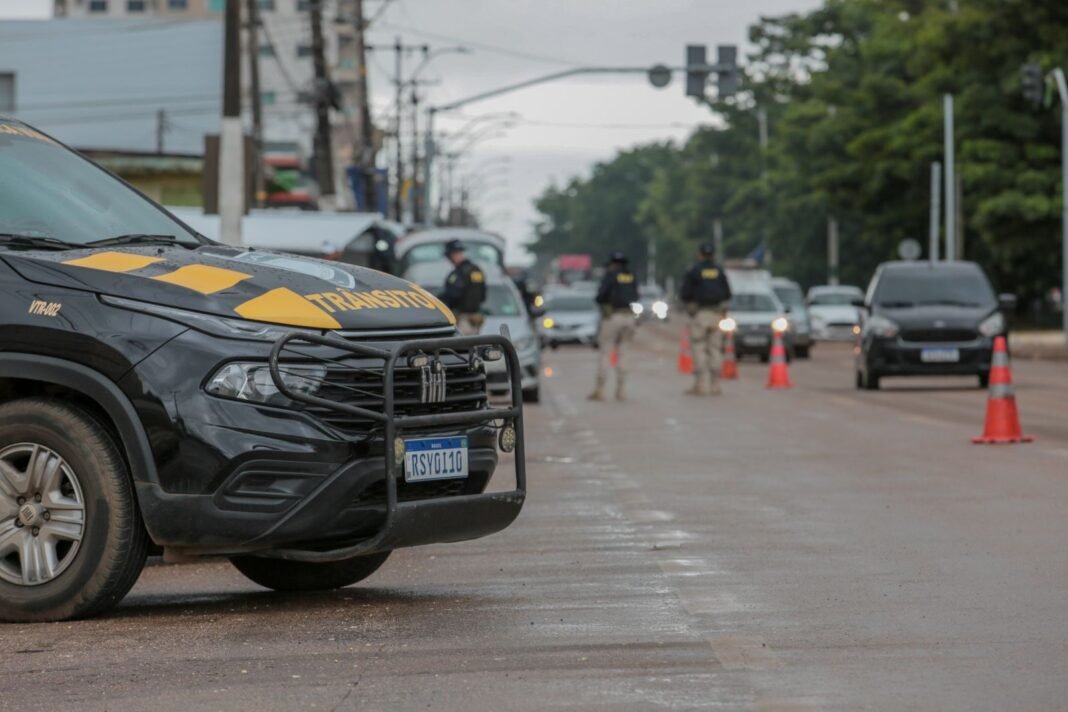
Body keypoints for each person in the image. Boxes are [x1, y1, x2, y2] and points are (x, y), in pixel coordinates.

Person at [679, 243, 732, 395]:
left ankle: (700, 385)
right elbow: (727, 294)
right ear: (713, 255)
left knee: (698, 347)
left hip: (700, 314)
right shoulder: (719, 271)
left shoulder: (695, 271)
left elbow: (685, 293)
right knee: (715, 349)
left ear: (700, 254)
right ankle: (715, 385)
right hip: (716, 314)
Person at [589, 251, 639, 402]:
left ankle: (600, 390)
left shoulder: (610, 276)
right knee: (624, 352)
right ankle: (621, 390)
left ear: (612, 264)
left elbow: (600, 296)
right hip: (629, 317)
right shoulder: (631, 275)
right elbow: (636, 296)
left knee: (605, 352)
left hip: (612, 317)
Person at [441, 239, 487, 335]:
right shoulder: (476, 270)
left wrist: (438, 301)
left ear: (452, 255)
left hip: (462, 319)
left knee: (461, 347)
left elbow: (453, 294)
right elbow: (482, 296)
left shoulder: (459, 273)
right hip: (476, 319)